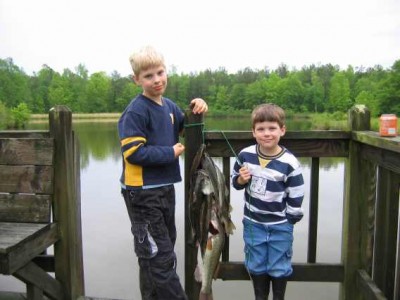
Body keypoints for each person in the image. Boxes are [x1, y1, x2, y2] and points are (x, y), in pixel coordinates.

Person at [118, 45, 208, 300]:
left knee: (155, 254)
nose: (157, 80)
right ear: (137, 80)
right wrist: (170, 153)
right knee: (160, 257)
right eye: (148, 76)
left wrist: (199, 107)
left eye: (160, 72)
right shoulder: (136, 111)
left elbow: (186, 126)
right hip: (141, 194)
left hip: (164, 189)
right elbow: (133, 153)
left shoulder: (168, 106)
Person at [231, 103, 304, 300]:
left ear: (282, 130)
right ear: (253, 132)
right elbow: (235, 183)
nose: (267, 133)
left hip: (280, 225)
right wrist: (241, 179)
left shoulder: (290, 163)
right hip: (253, 223)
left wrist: (290, 219)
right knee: (256, 262)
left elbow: (296, 193)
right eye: (261, 129)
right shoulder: (245, 155)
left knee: (279, 265)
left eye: (272, 128)